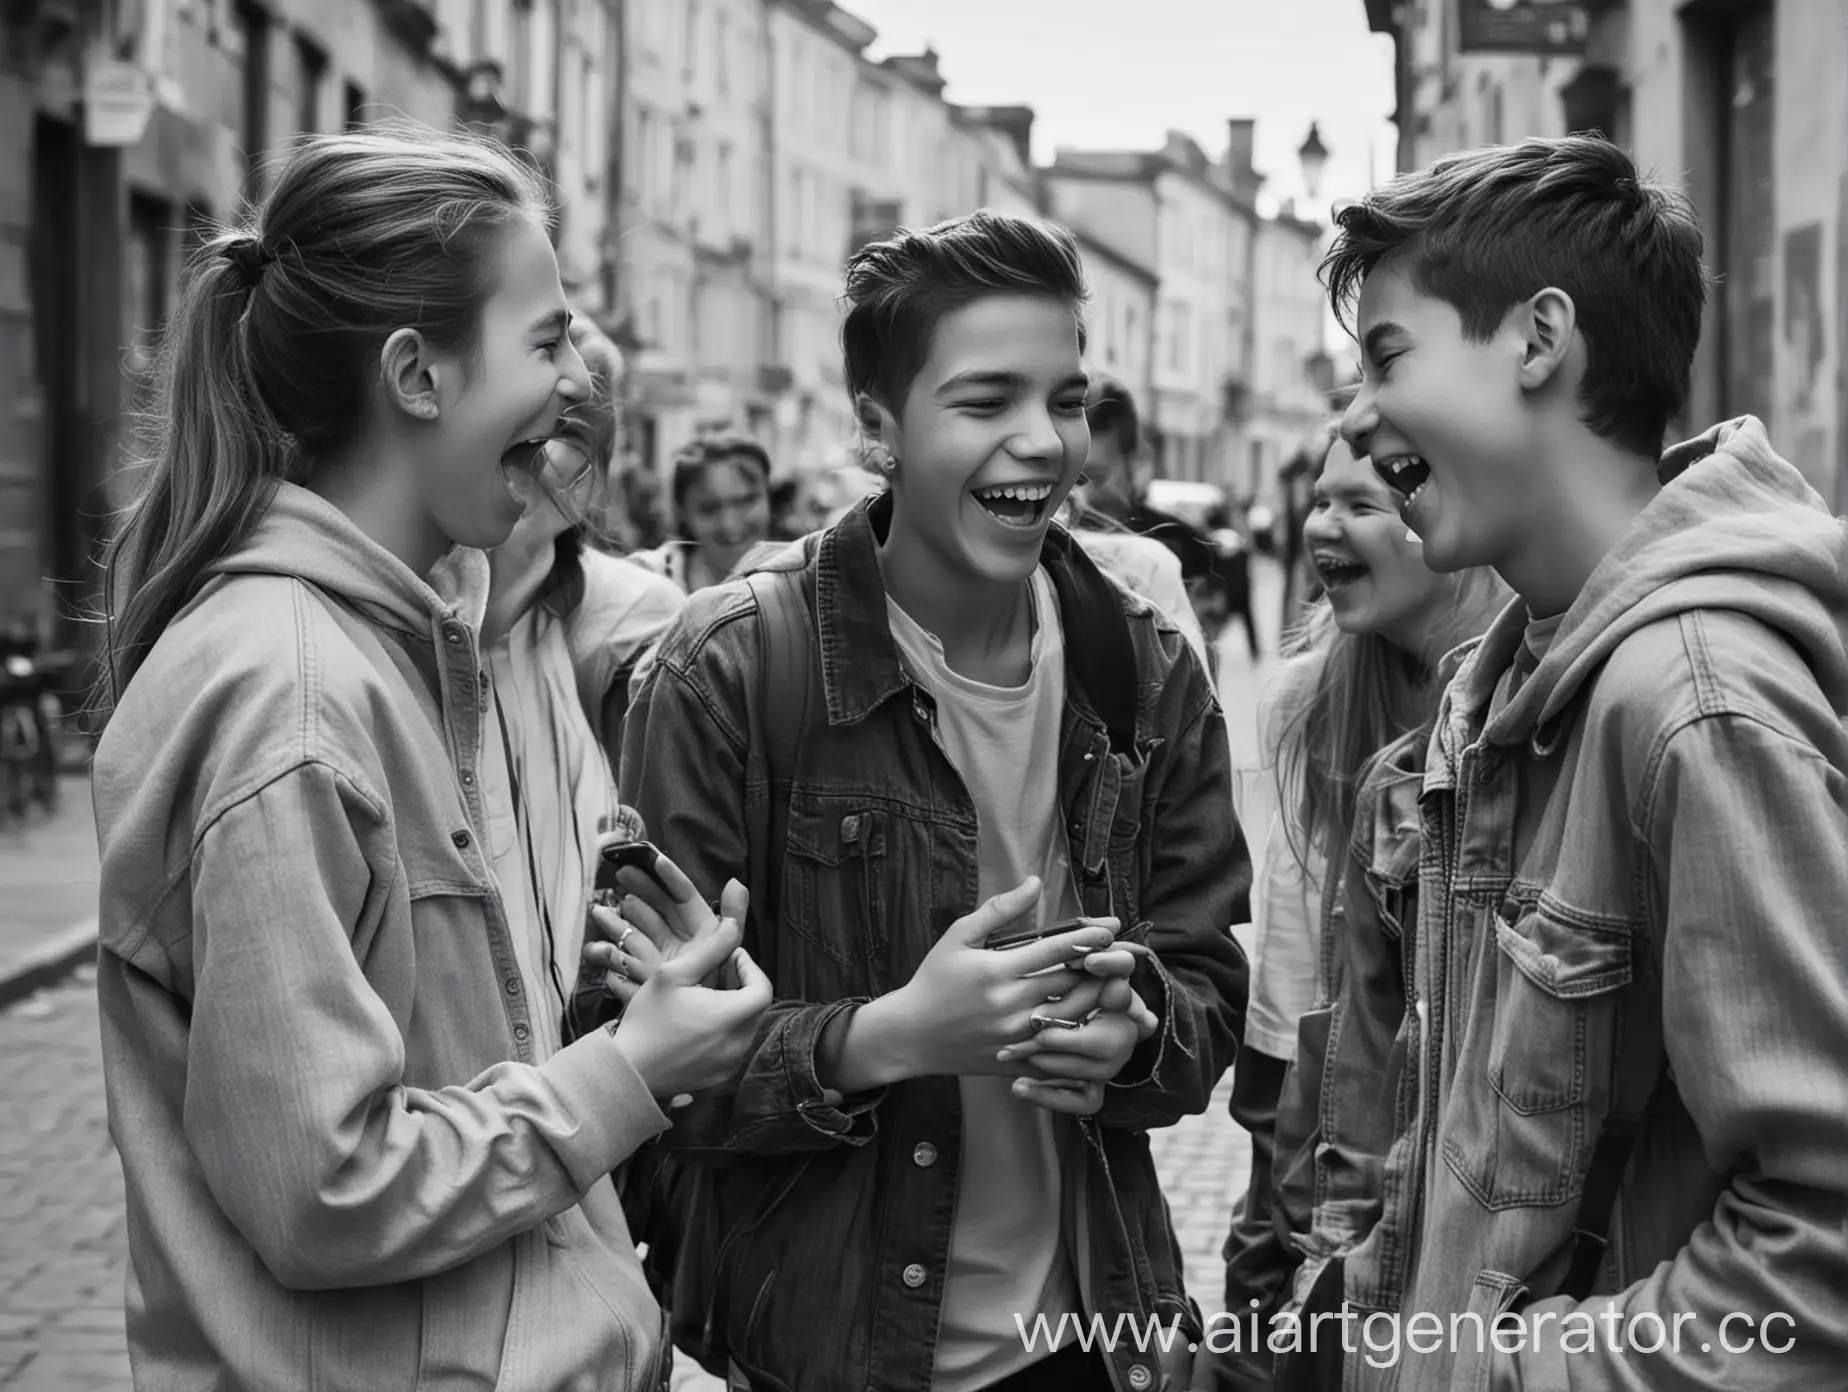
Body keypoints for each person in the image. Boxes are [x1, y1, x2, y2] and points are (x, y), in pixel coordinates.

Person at [87, 125, 770, 1392]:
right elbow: (326, 1188)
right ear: (416, 376)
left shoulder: (380, 648)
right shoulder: (290, 696)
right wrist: (630, 1069)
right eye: (550, 340)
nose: (580, 389)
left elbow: (442, 1079)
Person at [600, 209, 1251, 1392]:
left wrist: (1141, 1031)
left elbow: (1207, 984)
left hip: (1092, 1343)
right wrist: (888, 1036)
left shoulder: (1146, 671)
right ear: (877, 430)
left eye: (1064, 400)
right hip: (833, 1354)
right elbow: (636, 1069)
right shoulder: (731, 671)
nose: (1042, 443)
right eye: (984, 401)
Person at [1290, 134, 1848, 1388]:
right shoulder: (1510, 684)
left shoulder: (1693, 702)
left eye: (1388, 356)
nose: (1358, 413)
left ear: (1540, 340)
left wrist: (1509, 1374)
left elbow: (1821, 1251)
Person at [1202, 427, 1504, 1391]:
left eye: (1361, 504)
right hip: (1320, 1121)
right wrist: (1278, 1187)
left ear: (1441, 519)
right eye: (1321, 498)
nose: (1322, 525)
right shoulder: (1304, 700)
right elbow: (1294, 978)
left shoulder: (1522, 699)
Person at [1057, 373, 1212, 670]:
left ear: (1132, 460)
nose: (1079, 497)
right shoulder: (1046, 547)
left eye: (1093, 477)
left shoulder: (1174, 546)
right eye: (1068, 477)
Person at [632, 430, 774, 591]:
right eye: (709, 509)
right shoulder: (648, 584)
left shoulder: (802, 578)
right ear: (683, 513)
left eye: (744, 502)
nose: (729, 525)